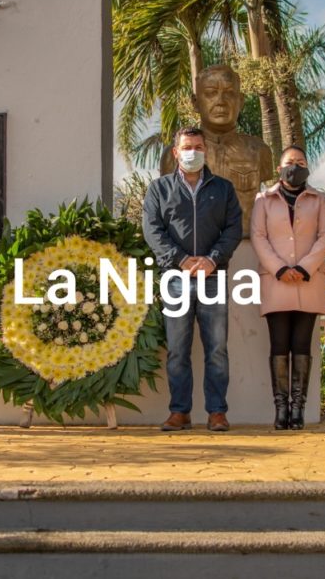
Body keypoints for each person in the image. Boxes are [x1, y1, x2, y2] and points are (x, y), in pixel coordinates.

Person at [143, 126, 243, 432]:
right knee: (177, 349)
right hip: (175, 278)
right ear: (176, 152)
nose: (193, 152)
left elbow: (233, 229)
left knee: (216, 349)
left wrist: (212, 260)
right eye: (187, 147)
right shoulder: (159, 189)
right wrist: (181, 260)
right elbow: (152, 230)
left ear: (206, 151)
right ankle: (180, 412)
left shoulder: (223, 189)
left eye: (198, 147)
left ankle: (217, 412)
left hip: (213, 277)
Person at [251, 146, 325, 430]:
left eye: (300, 162)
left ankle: (298, 408)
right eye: (289, 162)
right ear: (279, 168)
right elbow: (259, 237)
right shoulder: (263, 199)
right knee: (279, 344)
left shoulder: (319, 199)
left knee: (301, 344)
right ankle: (281, 409)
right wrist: (280, 269)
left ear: (307, 167)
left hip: (308, 280)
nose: (294, 166)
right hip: (276, 281)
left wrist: (303, 268)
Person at [159, 65, 274, 236]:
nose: (221, 101)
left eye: (229, 93)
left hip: (246, 246)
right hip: (194, 249)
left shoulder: (258, 151)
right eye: (211, 93)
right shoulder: (173, 156)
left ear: (240, 101)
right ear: (196, 102)